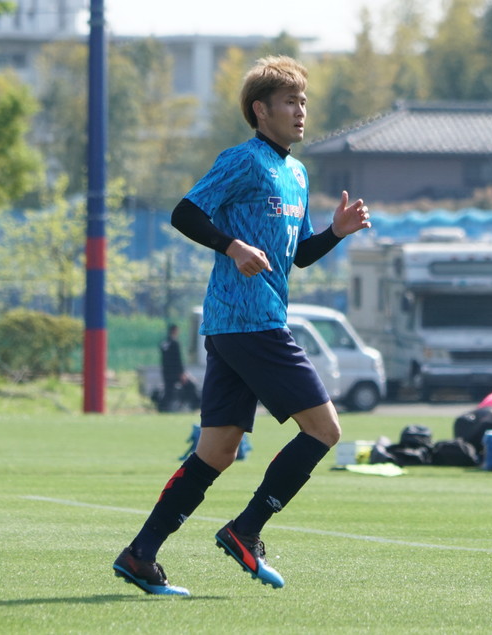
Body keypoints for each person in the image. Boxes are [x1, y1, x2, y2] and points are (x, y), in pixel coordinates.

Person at [112, 56, 371, 596]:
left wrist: (336, 233)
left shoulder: (297, 174)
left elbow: (298, 256)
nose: (301, 111)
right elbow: (185, 212)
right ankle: (246, 530)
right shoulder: (243, 160)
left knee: (218, 451)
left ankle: (140, 555)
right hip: (250, 322)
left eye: (304, 102)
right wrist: (231, 245)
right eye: (290, 102)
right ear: (261, 110)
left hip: (240, 326)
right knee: (325, 430)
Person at [157, 324, 197, 412]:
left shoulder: (164, 343)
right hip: (175, 373)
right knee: (190, 386)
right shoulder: (175, 343)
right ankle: (189, 405)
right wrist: (182, 373)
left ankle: (162, 407)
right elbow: (177, 360)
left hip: (166, 372)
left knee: (168, 390)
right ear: (174, 331)